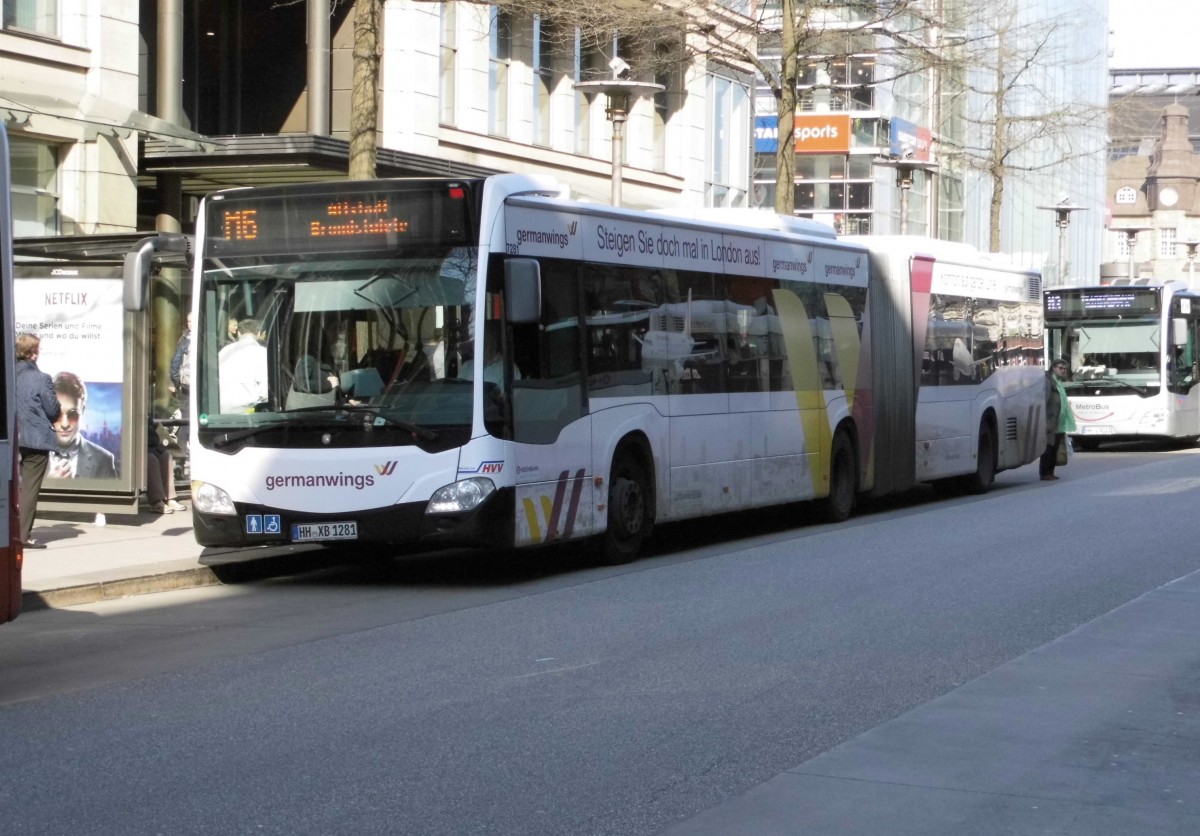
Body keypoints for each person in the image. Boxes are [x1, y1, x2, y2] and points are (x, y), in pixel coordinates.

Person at [15, 333, 62, 549]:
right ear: (33, 353)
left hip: (12, 438)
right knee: (30, 488)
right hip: (35, 440)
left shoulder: (9, 374)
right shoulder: (41, 378)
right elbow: (52, 411)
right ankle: (23, 536)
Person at [51, 371, 118, 479]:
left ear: (83, 410)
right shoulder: (31, 456)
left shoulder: (104, 460)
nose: (65, 424)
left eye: (72, 414)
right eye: (57, 413)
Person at [218, 318, 268, 412]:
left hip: (221, 410)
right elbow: (265, 391)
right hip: (247, 414)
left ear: (239, 333)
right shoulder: (261, 353)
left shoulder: (224, 351)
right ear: (258, 334)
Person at [1040, 358, 1076, 482]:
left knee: (1054, 448)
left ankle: (1050, 472)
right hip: (1050, 420)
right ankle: (1045, 473)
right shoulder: (1049, 381)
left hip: (1059, 421)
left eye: (1064, 369)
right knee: (1048, 448)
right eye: (1060, 368)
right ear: (1053, 368)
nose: (1063, 371)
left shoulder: (1059, 382)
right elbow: (1044, 400)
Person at [146, 415, 185, 514]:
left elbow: (153, 436)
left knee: (165, 455)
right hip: (139, 450)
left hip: (150, 446)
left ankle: (169, 497)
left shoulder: (146, 416)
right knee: (151, 459)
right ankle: (156, 501)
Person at [169, 311, 192, 450]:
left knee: (187, 418)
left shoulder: (188, 339)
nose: (190, 324)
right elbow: (175, 362)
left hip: (190, 384)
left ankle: (183, 449)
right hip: (186, 385)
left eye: (192, 321)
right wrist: (175, 382)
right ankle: (183, 449)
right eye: (188, 321)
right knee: (186, 418)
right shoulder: (184, 339)